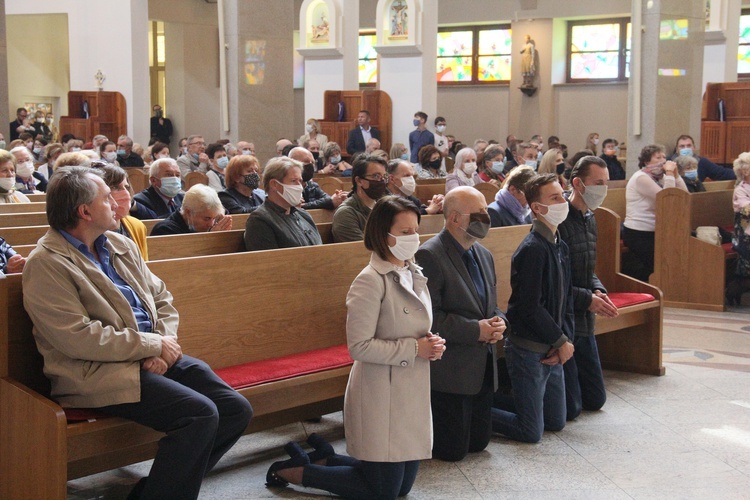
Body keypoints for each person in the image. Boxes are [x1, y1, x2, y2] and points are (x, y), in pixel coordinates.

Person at [22, 166, 253, 499]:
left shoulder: (118, 244)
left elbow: (162, 298)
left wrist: (163, 345)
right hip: (95, 371)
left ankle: (153, 493)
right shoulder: (47, 263)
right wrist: (151, 345)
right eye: (106, 198)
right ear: (84, 211)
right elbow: (76, 335)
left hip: (150, 356)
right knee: (199, 414)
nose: (118, 204)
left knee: (235, 409)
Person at [266, 195, 445, 498]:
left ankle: (326, 458)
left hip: (411, 389)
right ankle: (292, 470)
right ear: (381, 234)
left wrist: (431, 342)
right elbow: (359, 347)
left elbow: (415, 327)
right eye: (404, 232)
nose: (412, 238)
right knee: (382, 492)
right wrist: (415, 349)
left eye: (415, 230)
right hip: (381, 394)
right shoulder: (370, 281)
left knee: (400, 488)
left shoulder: (414, 272)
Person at [416, 186, 507, 461]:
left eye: (486, 211)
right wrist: (475, 330)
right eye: (479, 213)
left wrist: (500, 323)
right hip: (452, 369)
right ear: (455, 218)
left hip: (482, 366)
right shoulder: (430, 255)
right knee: (451, 452)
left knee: (478, 445)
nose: (486, 217)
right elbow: (429, 316)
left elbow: (492, 305)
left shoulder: (484, 254)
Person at [491, 173, 575, 443]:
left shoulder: (558, 243)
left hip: (551, 344)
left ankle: (528, 407)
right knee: (531, 432)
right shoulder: (533, 249)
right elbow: (529, 308)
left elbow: (563, 298)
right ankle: (477, 409)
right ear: (537, 209)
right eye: (555, 198)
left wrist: (561, 341)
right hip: (528, 348)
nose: (563, 201)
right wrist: (559, 340)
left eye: (562, 195)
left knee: (555, 422)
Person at [558, 156, 619, 421]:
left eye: (606, 183)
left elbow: (587, 268)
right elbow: (554, 282)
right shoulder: (561, 221)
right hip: (565, 319)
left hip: (585, 317)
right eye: (598, 183)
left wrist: (598, 289)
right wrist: (587, 299)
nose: (602, 189)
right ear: (578, 184)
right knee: (571, 409)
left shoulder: (590, 218)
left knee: (595, 399)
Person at [622, 144, 689, 282]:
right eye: (658, 157)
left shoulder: (660, 177)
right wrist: (669, 175)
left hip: (658, 230)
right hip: (639, 232)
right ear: (647, 161)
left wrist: (676, 176)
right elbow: (667, 200)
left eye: (664, 157)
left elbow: (684, 196)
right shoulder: (641, 178)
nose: (663, 160)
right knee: (658, 264)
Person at [244, 156, 322, 251]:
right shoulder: (259, 220)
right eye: (293, 181)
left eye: (300, 181)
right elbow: (268, 262)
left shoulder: (303, 214)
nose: (299, 187)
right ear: (274, 184)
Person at [332, 155, 388, 242]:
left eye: (383, 177)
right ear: (359, 181)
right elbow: (362, 249)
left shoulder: (384, 207)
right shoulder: (346, 213)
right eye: (376, 176)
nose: (381, 181)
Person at [100, 164, 150, 260]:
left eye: (126, 187)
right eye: (115, 187)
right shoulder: (91, 229)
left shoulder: (136, 226)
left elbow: (144, 267)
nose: (126, 193)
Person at [151, 183, 232, 236]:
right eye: (207, 219)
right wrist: (210, 238)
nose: (211, 224)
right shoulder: (165, 230)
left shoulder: (210, 225)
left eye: (214, 218)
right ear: (188, 212)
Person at [289, 146, 346, 210]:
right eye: (306, 162)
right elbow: (295, 208)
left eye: (312, 162)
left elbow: (328, 200)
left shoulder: (312, 185)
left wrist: (306, 205)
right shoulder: (288, 187)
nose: (310, 165)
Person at [728, 152, 750, 305]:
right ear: (745, 171)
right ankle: (732, 291)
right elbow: (747, 209)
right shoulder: (740, 189)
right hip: (745, 237)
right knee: (745, 274)